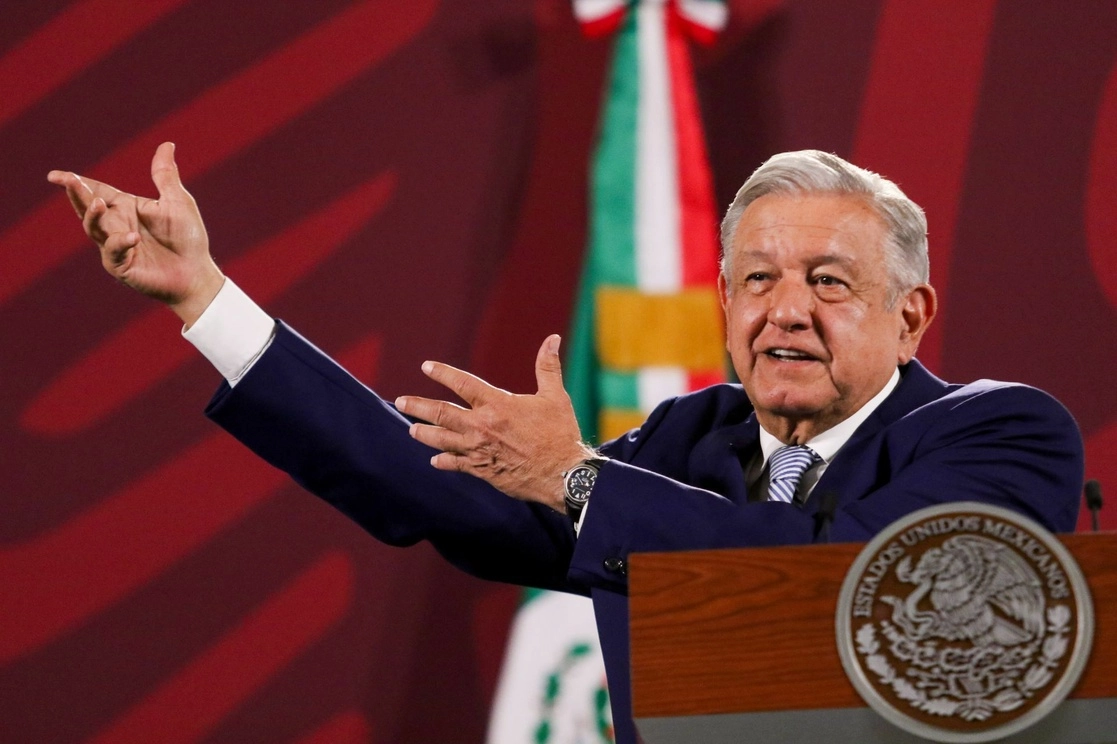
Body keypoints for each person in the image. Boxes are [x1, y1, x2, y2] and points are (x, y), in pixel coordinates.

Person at [49, 144, 1083, 744]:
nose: (785, 312)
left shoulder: (1000, 431)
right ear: (721, 305)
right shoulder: (696, 437)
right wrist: (207, 301)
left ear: (910, 317)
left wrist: (581, 476)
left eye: (828, 281)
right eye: (757, 280)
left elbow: (865, 595)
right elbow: (444, 489)